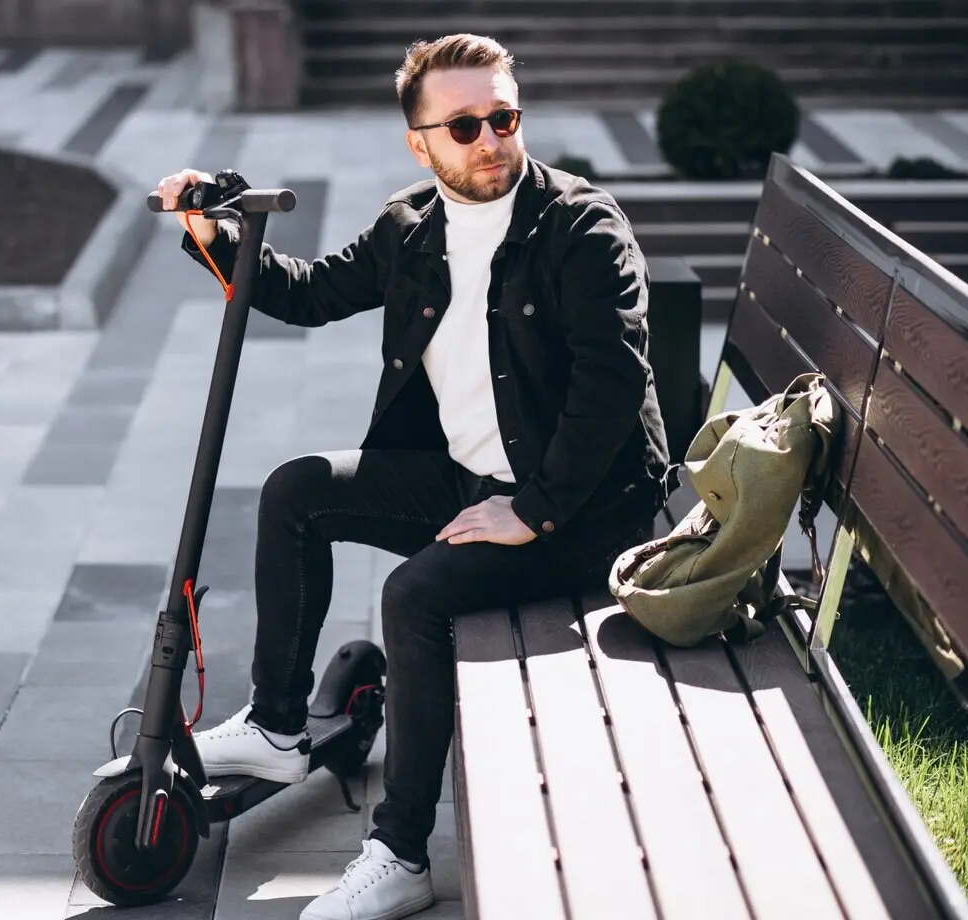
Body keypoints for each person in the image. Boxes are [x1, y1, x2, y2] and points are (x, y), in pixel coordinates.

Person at [153, 33, 671, 920]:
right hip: (470, 481)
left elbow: (613, 387)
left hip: (589, 513)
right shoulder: (412, 228)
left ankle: (399, 855)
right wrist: (215, 234)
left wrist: (534, 513)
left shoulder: (582, 228)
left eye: (503, 118)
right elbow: (311, 292)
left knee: (416, 594)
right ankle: (279, 726)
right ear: (420, 143)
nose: (490, 140)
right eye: (464, 125)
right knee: (295, 491)